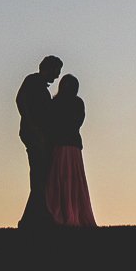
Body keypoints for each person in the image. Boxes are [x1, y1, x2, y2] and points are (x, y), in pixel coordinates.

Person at [44, 74, 97, 227]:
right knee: (72, 179)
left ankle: (62, 212)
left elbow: (51, 123)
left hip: (61, 145)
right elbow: (78, 122)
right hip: (72, 145)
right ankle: (73, 211)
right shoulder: (77, 103)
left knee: (61, 179)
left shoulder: (56, 103)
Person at [16, 55, 62, 228]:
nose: (57, 76)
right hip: (34, 135)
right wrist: (33, 126)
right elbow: (20, 101)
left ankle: (36, 218)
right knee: (39, 176)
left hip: (39, 135)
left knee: (40, 177)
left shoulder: (41, 87)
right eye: (56, 71)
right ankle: (32, 219)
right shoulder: (33, 81)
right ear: (48, 68)